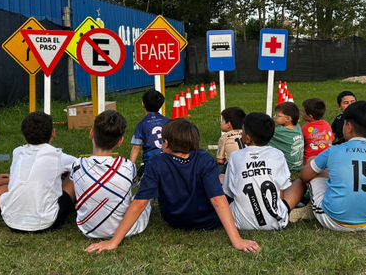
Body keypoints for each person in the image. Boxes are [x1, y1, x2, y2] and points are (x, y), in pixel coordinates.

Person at [85, 119, 260, 253]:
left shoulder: (156, 162)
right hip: (208, 220)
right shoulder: (204, 158)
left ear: (166, 143)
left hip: (174, 220)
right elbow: (218, 199)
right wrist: (236, 240)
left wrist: (114, 242)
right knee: (223, 183)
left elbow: (139, 203)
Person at [285, 101, 366, 231]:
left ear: (349, 127)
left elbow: (304, 176)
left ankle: (296, 207)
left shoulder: (334, 150)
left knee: (313, 165)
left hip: (334, 220)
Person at [68, 110, 150, 240]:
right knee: (146, 193)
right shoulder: (128, 166)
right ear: (120, 141)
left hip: (87, 230)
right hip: (127, 229)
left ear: (91, 133)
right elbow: (134, 185)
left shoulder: (77, 164)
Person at [0, 112, 77, 232]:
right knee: (75, 174)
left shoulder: (17, 152)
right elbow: (84, 167)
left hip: (10, 220)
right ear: (53, 133)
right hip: (44, 223)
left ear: (25, 138)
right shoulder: (57, 155)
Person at [223, 113, 301, 230]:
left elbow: (229, 192)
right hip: (276, 221)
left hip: (239, 223)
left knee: (221, 178)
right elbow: (281, 191)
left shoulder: (235, 156)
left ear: (248, 138)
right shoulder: (278, 154)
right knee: (300, 183)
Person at [129, 88, 169, 178]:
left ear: (143, 104)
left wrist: (130, 168)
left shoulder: (141, 124)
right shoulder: (168, 122)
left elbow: (136, 147)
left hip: (151, 163)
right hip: (168, 161)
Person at [268, 101, 304, 172]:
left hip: (287, 167)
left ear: (288, 119)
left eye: (277, 115)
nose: (274, 117)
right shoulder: (297, 127)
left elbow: (262, 138)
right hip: (299, 165)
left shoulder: (278, 132)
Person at [301, 97, 334, 164]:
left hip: (310, 162)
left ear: (310, 116)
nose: (302, 113)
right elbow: (331, 139)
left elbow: (300, 144)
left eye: (303, 112)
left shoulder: (305, 128)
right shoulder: (326, 124)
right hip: (327, 160)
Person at [216, 106, 246, 174]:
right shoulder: (246, 134)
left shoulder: (224, 138)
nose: (220, 123)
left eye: (222, 120)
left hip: (234, 167)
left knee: (219, 166)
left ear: (228, 124)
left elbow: (220, 160)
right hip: (248, 163)